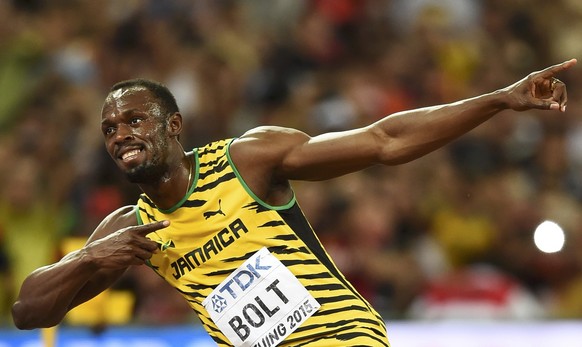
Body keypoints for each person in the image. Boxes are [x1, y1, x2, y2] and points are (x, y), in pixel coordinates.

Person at [11, 58, 576, 346]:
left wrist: (499, 101)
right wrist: (87, 259)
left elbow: (384, 140)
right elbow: (28, 313)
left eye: (135, 120)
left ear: (174, 125)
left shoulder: (248, 160)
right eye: (109, 128)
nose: (120, 134)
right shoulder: (128, 228)